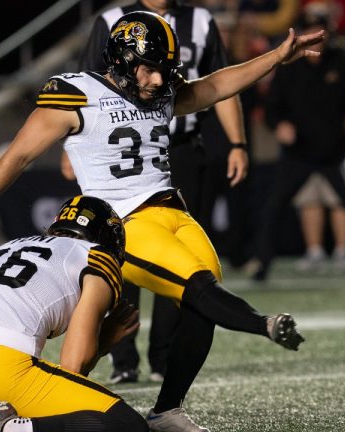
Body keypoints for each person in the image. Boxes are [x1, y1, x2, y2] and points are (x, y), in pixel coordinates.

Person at [0, 11, 319, 431]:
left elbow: (217, 85)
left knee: (200, 304)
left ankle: (167, 410)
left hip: (174, 212)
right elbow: (18, 155)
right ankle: (264, 324)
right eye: (150, 69)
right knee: (200, 288)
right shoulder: (76, 93)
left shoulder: (162, 90)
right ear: (121, 59)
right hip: (123, 222)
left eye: (163, 72)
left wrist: (275, 58)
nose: (156, 81)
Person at [78, 0, 249, 385]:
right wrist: (71, 147)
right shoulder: (111, 19)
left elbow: (220, 83)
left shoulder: (200, 20)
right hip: (119, 151)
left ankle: (163, 357)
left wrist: (237, 142)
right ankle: (124, 358)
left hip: (182, 148)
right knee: (120, 252)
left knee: (180, 255)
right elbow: (88, 85)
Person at [0, 195, 148, 432]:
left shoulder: (13, 244)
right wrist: (102, 344)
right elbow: (73, 366)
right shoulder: (98, 257)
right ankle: (8, 429)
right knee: (128, 425)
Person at [251, 9, 345, 282]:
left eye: (320, 31)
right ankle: (262, 266)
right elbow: (272, 107)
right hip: (298, 152)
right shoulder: (289, 68)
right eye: (309, 31)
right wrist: (280, 126)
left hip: (335, 152)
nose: (315, 38)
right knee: (273, 209)